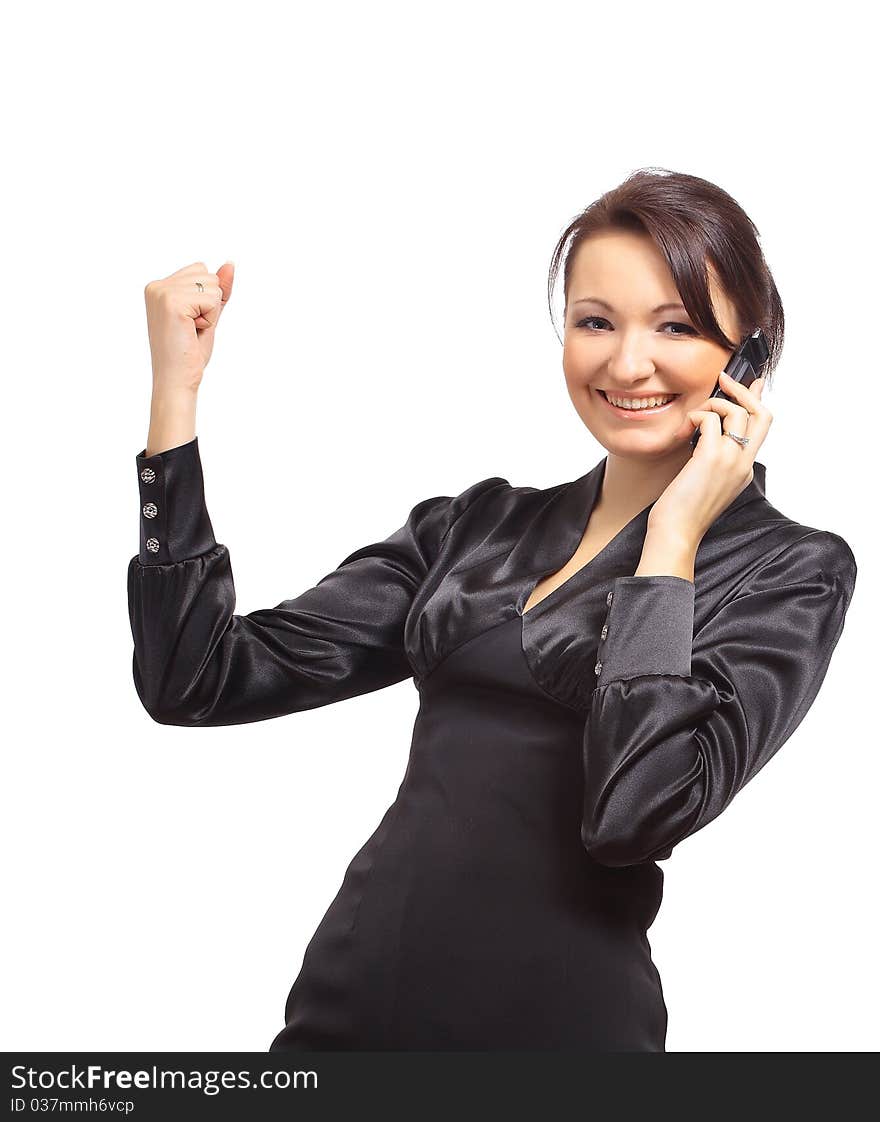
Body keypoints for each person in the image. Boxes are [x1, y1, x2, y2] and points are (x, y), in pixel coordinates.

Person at [127, 168, 857, 1051]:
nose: (628, 363)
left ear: (750, 358)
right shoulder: (476, 525)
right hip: (349, 1011)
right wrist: (177, 395)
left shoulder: (790, 569)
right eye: (596, 322)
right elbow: (194, 680)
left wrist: (673, 543)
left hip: (559, 1034)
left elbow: (636, 814)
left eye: (675, 326)